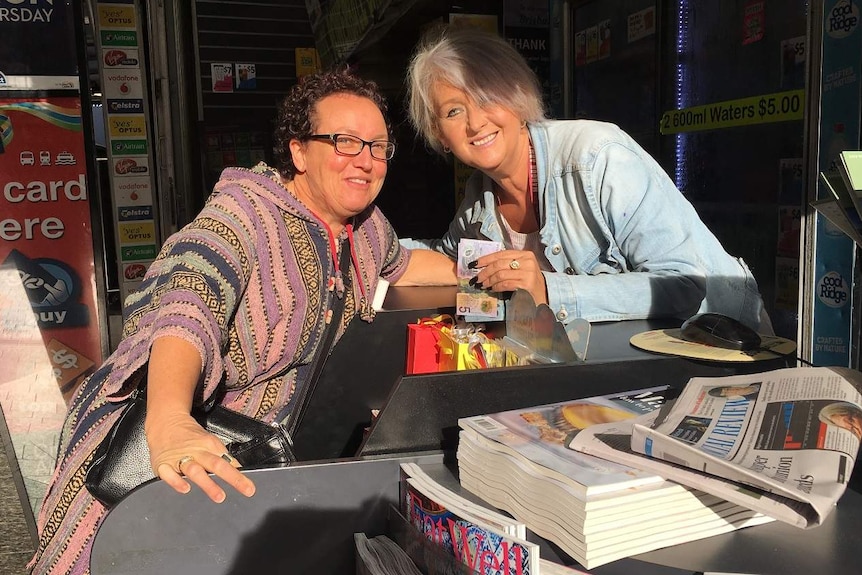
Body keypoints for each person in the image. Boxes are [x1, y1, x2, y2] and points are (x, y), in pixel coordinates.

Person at [29, 67, 455, 575]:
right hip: (178, 461)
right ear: (299, 151)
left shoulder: (368, 229)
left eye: (377, 146)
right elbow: (188, 303)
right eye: (344, 142)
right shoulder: (244, 213)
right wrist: (170, 419)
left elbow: (405, 265)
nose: (364, 159)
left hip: (268, 467)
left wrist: (483, 272)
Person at [402, 24, 770, 332]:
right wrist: (357, 245)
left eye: (486, 98)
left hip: (725, 342)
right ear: (439, 135)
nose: (475, 122)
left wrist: (549, 289)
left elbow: (686, 284)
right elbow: (439, 259)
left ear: (518, 96)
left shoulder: (597, 157)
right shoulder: (478, 203)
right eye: (453, 111)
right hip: (625, 371)